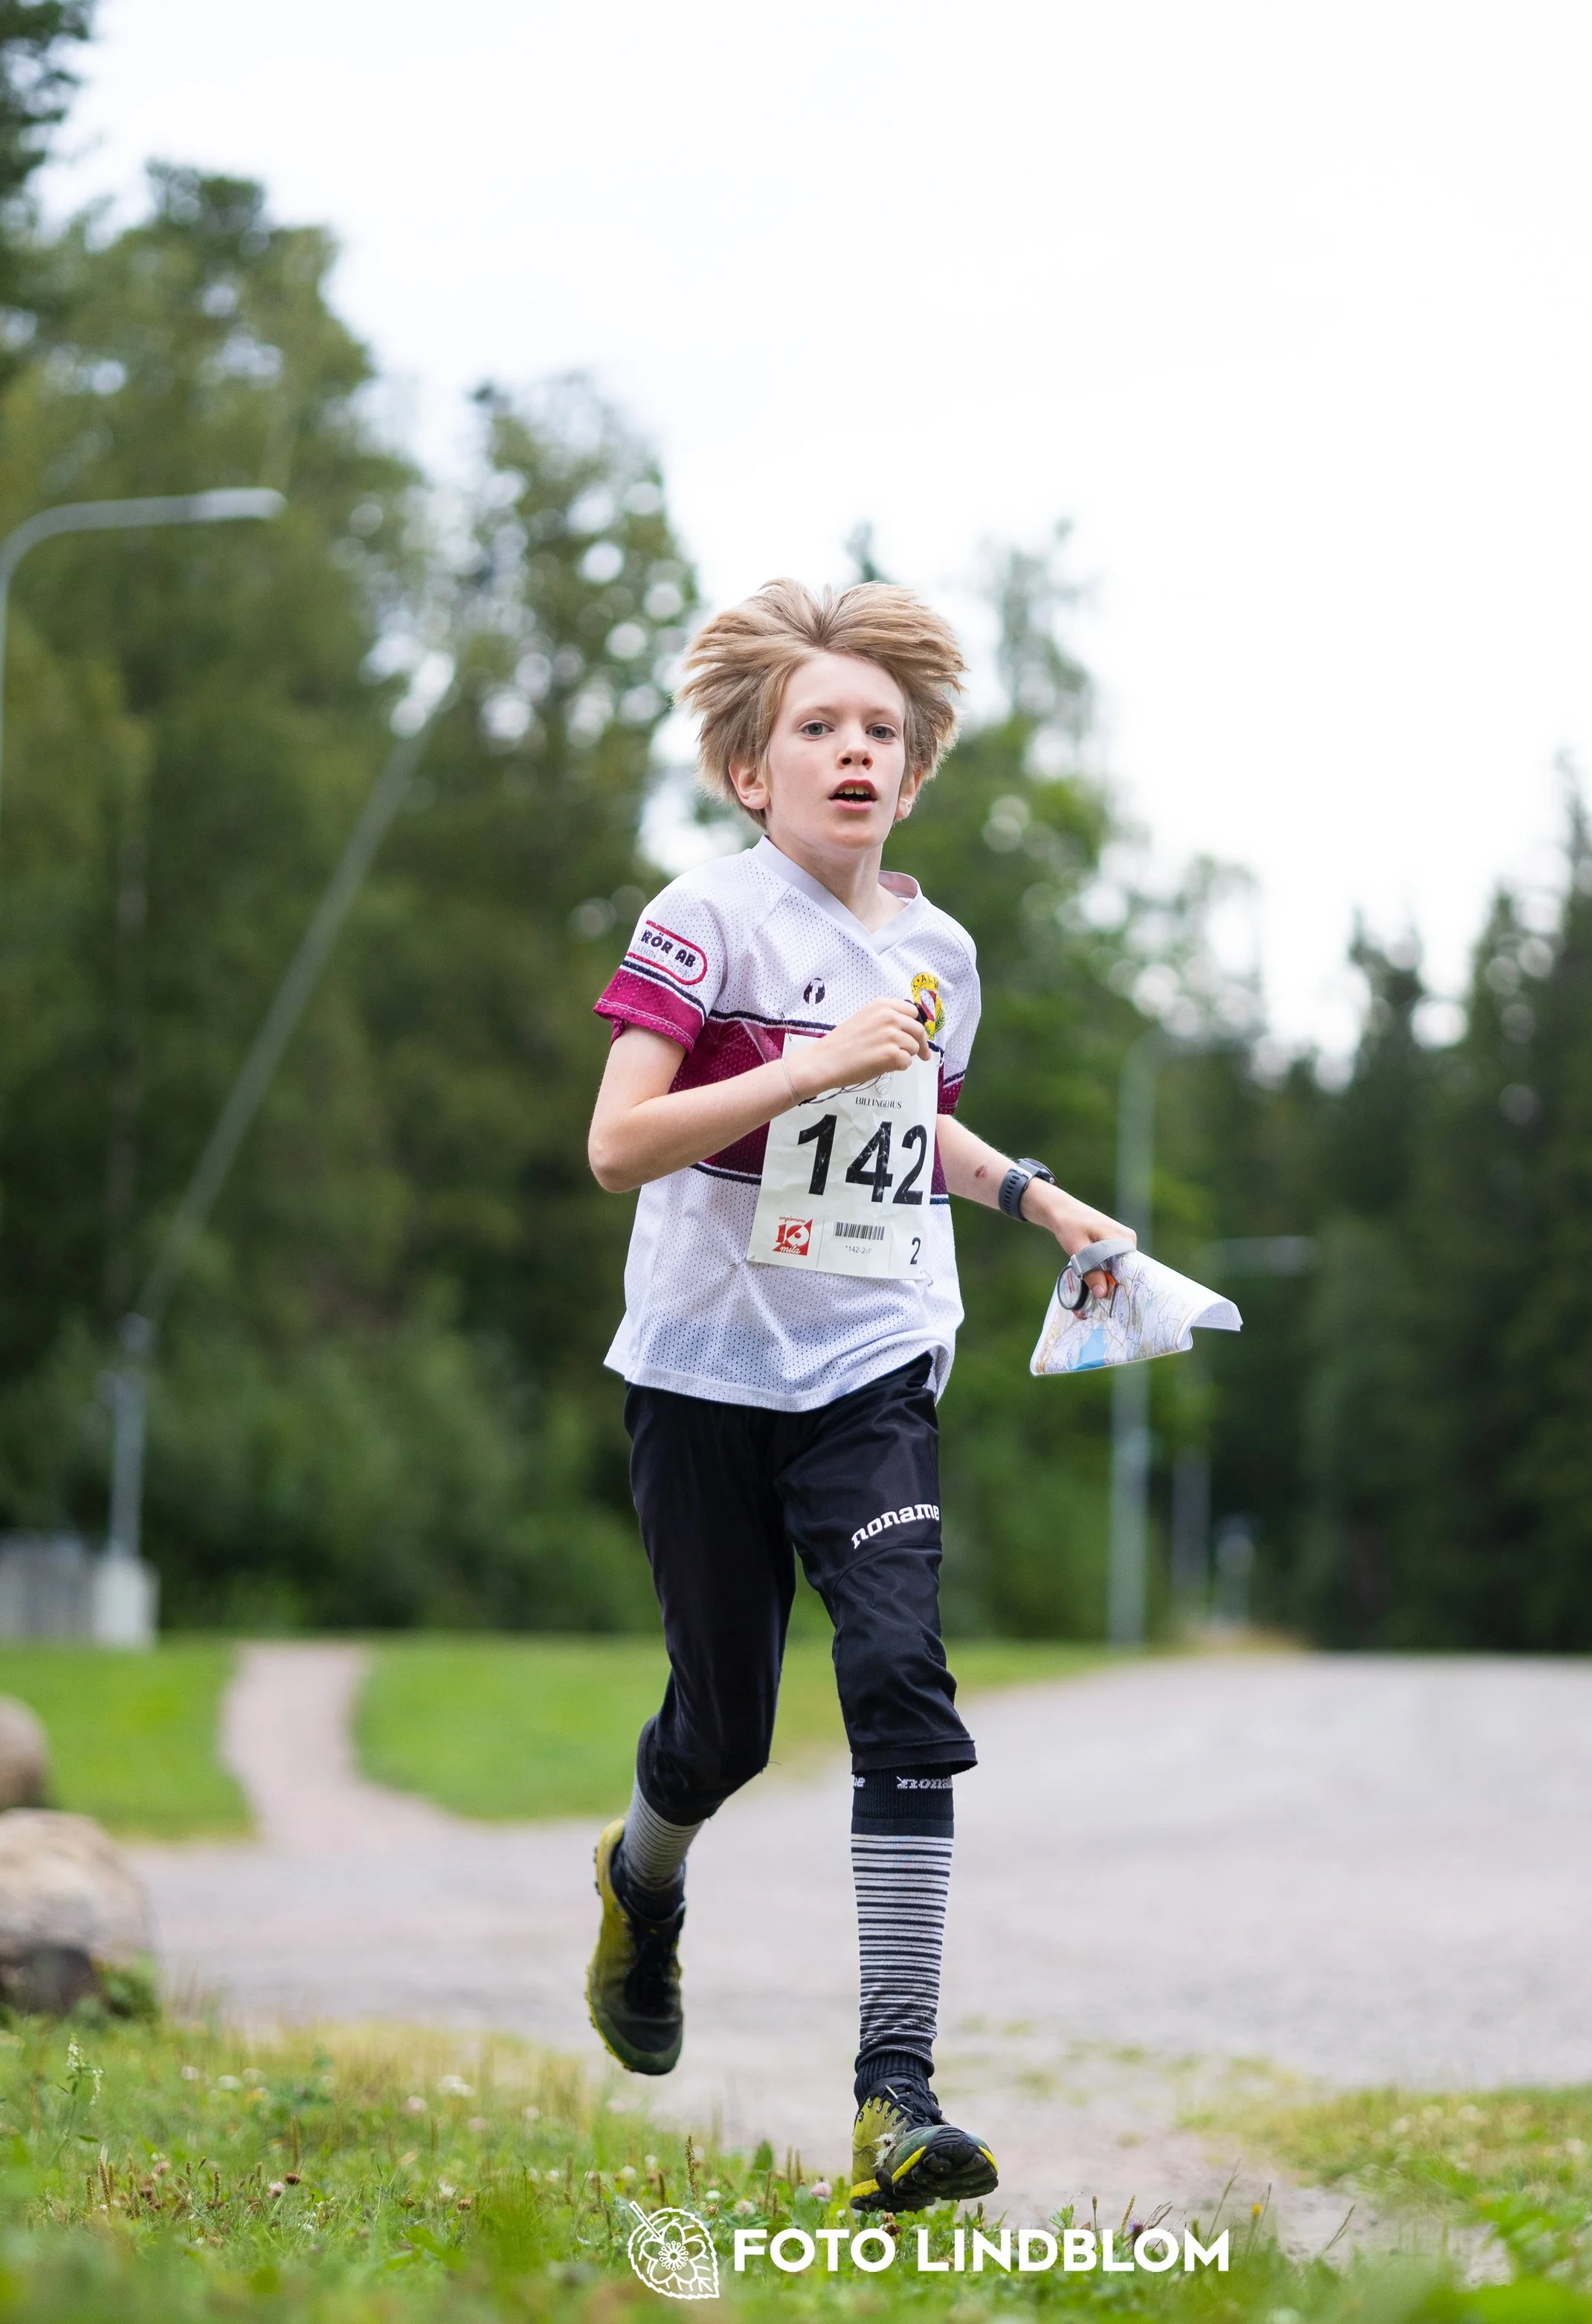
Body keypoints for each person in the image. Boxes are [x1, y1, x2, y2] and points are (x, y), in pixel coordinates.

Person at [581, 578, 1131, 2212]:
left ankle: (895, 2095)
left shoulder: (937, 950)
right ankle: (639, 1878)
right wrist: (801, 1061)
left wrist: (1039, 1199)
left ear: (914, 771)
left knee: (897, 1672)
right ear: (751, 770)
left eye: (877, 731)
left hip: (871, 1359)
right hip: (700, 1370)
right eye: (814, 726)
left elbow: (916, 1132)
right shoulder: (705, 917)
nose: (849, 750)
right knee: (724, 1729)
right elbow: (617, 1142)